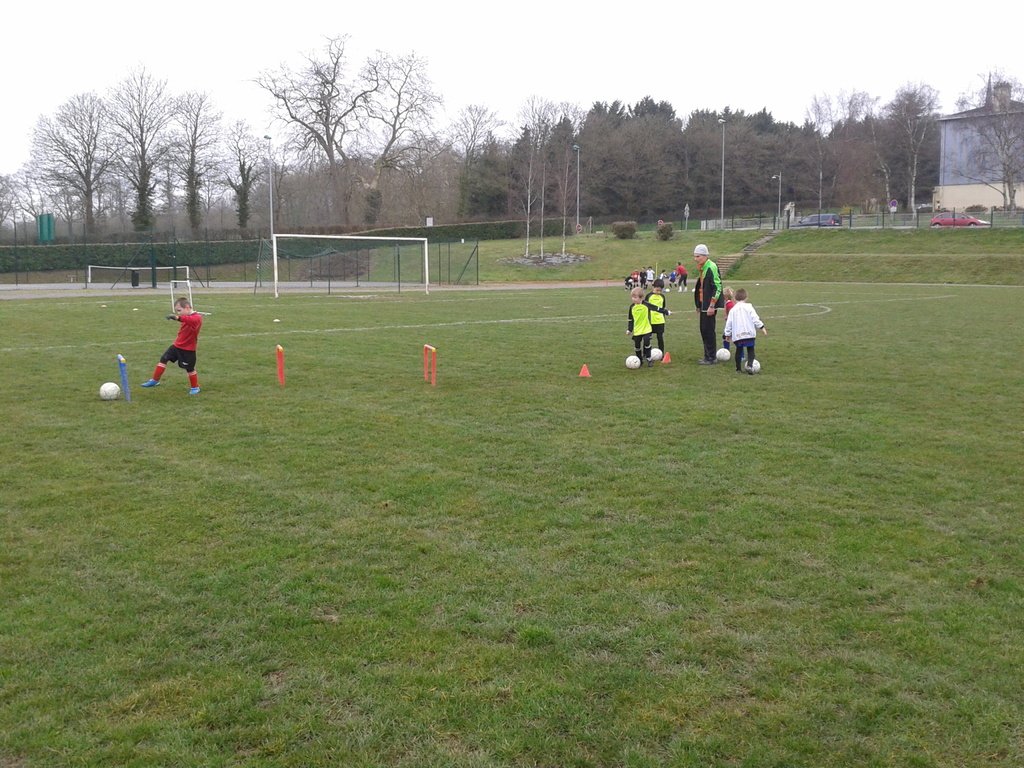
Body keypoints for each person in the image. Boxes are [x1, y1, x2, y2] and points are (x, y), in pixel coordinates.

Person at [141, 297, 204, 394]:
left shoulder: (197, 317)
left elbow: (190, 320)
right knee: (163, 359)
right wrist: (178, 318)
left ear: (187, 308)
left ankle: (195, 387)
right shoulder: (187, 317)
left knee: (189, 369)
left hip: (188, 349)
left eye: (179, 310)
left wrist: (176, 318)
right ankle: (154, 380)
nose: (178, 313)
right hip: (177, 345)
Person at [723, 287, 767, 374]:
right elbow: (755, 319)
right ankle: (750, 365)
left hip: (738, 335)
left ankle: (738, 369)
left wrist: (727, 334)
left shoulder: (733, 310)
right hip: (749, 334)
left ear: (735, 298)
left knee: (738, 351)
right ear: (746, 298)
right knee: (751, 350)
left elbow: (729, 323)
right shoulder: (749, 307)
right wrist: (762, 327)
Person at [692, 244, 724, 364]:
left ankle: (711, 357)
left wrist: (712, 305)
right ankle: (707, 356)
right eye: (695, 256)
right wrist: (699, 305)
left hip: (709, 306)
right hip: (704, 305)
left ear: (705, 256)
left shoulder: (711, 267)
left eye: (698, 256)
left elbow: (717, 286)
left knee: (708, 330)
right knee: (704, 330)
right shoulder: (703, 267)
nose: (695, 259)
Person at [627, 286, 671, 367]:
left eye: (635, 297)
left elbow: (657, 308)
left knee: (647, 343)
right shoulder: (632, 307)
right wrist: (629, 329)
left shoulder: (646, 305)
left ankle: (649, 358)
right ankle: (639, 359)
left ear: (641, 298)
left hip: (646, 329)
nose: (633, 299)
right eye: (632, 297)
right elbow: (630, 319)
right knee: (637, 346)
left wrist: (666, 312)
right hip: (637, 330)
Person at [645, 278, 669, 357]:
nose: (659, 292)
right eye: (657, 290)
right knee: (647, 338)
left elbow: (663, 308)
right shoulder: (649, 296)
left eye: (660, 291)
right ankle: (646, 354)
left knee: (660, 338)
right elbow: (645, 307)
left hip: (660, 321)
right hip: (650, 321)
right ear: (653, 287)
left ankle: (661, 354)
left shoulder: (662, 297)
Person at [721, 286, 736, 352]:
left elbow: (733, 314)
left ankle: (726, 350)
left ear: (726, 298)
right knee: (726, 336)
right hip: (732, 323)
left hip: (733, 324)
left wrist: (729, 318)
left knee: (727, 336)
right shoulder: (728, 304)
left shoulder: (729, 304)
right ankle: (726, 350)